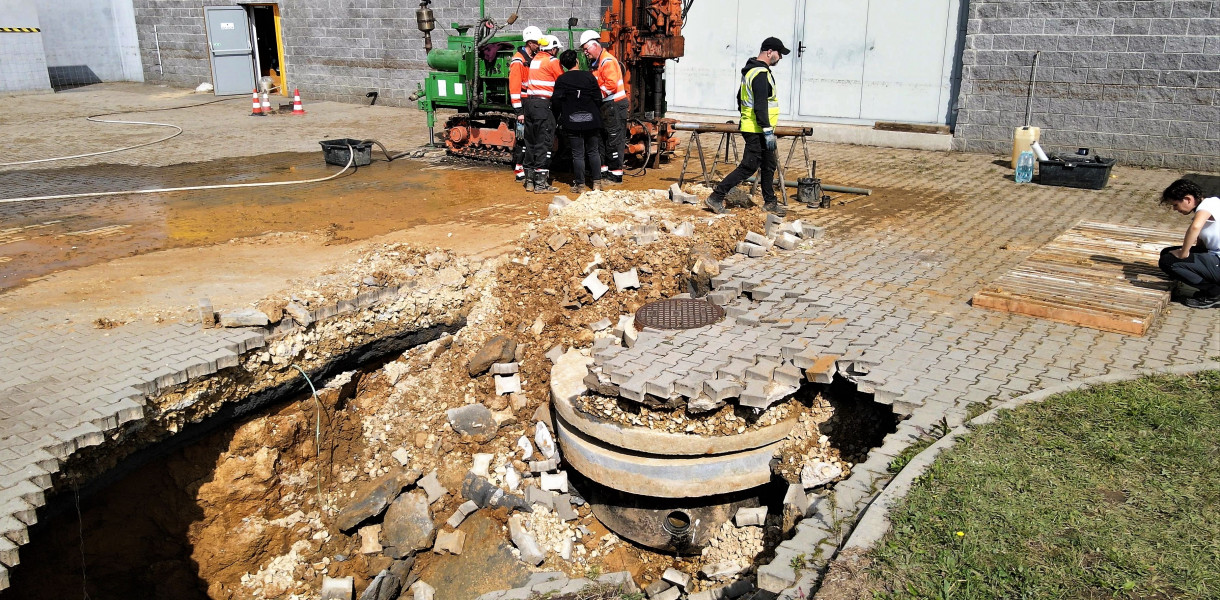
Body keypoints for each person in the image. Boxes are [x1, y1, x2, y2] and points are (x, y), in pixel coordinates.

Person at [705, 37, 790, 216]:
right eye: (779, 53)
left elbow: (740, 98)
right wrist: (766, 130)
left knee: (769, 164)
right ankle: (716, 197)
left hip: (759, 127)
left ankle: (770, 202)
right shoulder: (759, 74)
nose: (780, 58)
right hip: (756, 130)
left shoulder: (751, 71)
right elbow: (760, 105)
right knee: (748, 167)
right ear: (769, 52)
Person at [1158, 179, 1220, 308]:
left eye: (1175, 205)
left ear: (1188, 199)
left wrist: (1184, 253)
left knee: (1167, 261)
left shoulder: (1205, 206)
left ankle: (1212, 293)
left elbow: (1195, 228)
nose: (1175, 209)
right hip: (1215, 255)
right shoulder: (1213, 202)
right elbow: (1203, 241)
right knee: (1167, 252)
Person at [579, 30, 627, 185]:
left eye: (586, 49)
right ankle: (605, 171)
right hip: (606, 106)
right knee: (602, 139)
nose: (585, 53)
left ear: (595, 45)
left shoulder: (607, 61)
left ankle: (615, 175)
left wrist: (594, 97)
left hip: (613, 105)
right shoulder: (597, 63)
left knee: (613, 139)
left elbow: (611, 85)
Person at [552, 49, 603, 193]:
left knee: (577, 154)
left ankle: (580, 186)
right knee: (593, 151)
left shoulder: (562, 79)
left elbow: (556, 101)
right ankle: (597, 183)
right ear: (577, 61)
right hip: (591, 120)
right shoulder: (589, 77)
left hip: (572, 121)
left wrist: (562, 114)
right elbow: (598, 98)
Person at [523, 35, 564, 193]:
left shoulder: (535, 60)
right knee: (544, 143)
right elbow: (561, 81)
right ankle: (540, 184)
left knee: (531, 143)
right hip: (544, 106)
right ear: (553, 49)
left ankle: (529, 181)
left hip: (530, 105)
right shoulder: (552, 61)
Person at [510, 26, 543, 185]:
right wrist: (519, 111)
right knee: (522, 138)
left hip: (530, 101)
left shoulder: (534, 58)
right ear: (529, 43)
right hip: (523, 103)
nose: (539, 46)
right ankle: (518, 168)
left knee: (530, 137)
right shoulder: (518, 61)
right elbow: (514, 88)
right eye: (537, 43)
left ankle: (523, 166)